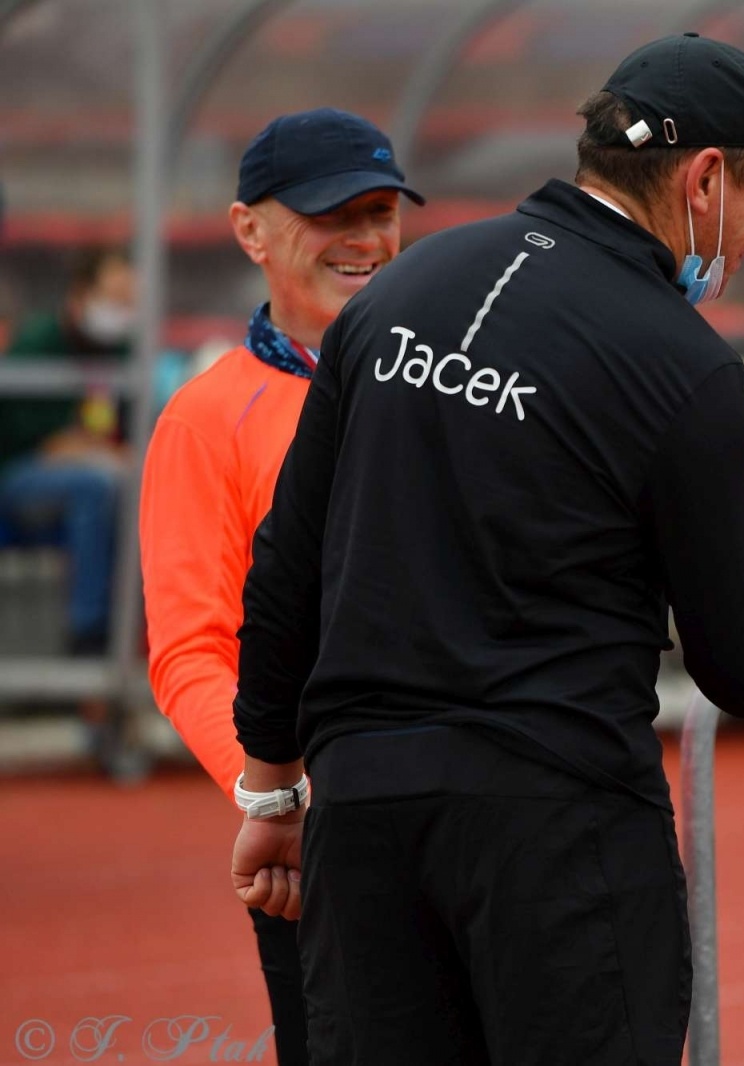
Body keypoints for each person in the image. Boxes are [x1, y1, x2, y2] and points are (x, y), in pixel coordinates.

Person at [228, 33, 744, 1066]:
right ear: (705, 178)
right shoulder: (682, 362)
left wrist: (269, 790)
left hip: (365, 817)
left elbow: (287, 562)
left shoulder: (397, 291)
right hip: (556, 833)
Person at [139, 107, 424, 1066]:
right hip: (321, 834)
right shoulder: (206, 418)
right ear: (249, 230)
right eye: (330, 213)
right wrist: (278, 798)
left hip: (479, 813)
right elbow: (190, 651)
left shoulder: (459, 380)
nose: (365, 238)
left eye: (380, 211)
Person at [0, 247, 134, 655]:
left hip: (89, 474)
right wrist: (93, 452)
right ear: (82, 294)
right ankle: (88, 631)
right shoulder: (39, 341)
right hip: (18, 473)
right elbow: (35, 440)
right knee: (96, 486)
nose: (123, 308)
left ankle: (134, 630)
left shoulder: (121, 349)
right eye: (114, 297)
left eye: (128, 298)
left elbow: (125, 433)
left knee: (134, 487)